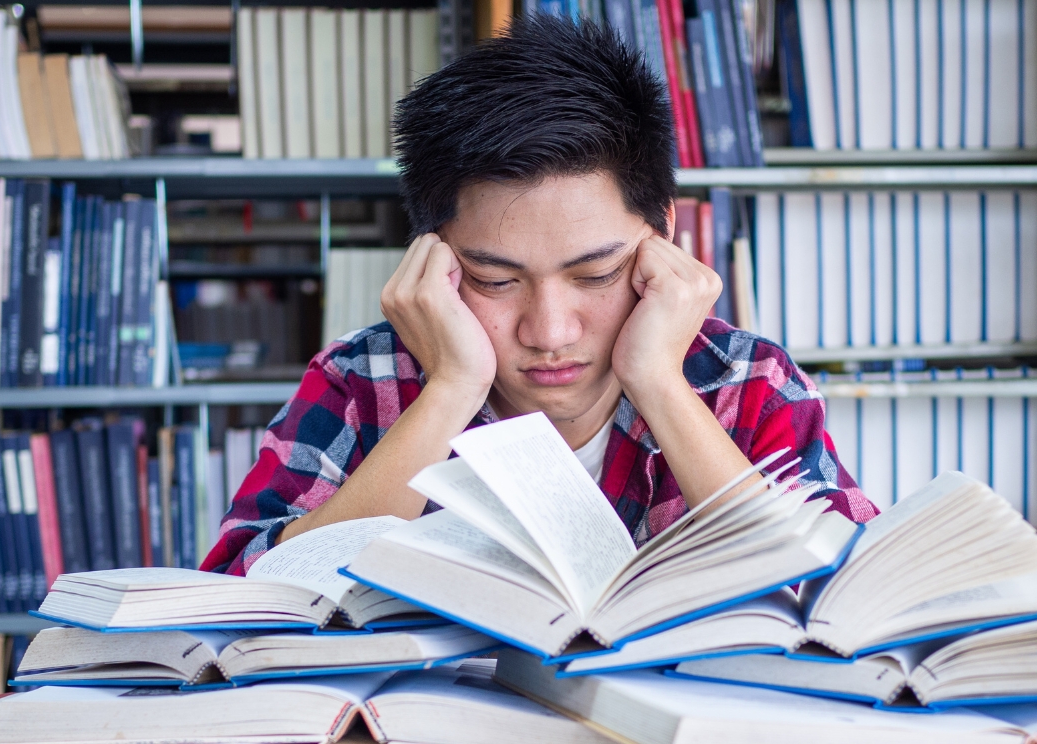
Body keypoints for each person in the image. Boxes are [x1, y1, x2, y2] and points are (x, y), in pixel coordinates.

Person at [202, 15, 874, 576]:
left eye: (596, 274)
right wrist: (450, 391)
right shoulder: (360, 381)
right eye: (495, 280)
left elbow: (848, 603)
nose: (550, 331)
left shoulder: (749, 382)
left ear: (663, 232)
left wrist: (660, 384)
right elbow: (237, 596)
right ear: (432, 257)